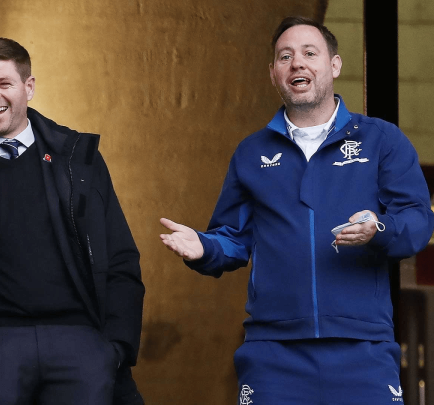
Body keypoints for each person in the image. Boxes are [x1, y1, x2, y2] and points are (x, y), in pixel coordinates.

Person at [160, 16, 434, 404]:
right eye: (285, 56)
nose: (297, 63)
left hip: (363, 347)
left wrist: (380, 228)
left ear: (334, 65)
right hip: (273, 351)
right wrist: (204, 248)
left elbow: (417, 219)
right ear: (273, 73)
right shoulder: (251, 153)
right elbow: (233, 238)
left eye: (309, 53)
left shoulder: (380, 139)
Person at [0, 38, 145, 405]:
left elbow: (121, 258)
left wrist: (114, 349)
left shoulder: (77, 160)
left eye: (4, 83)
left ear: (29, 87)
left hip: (80, 345)